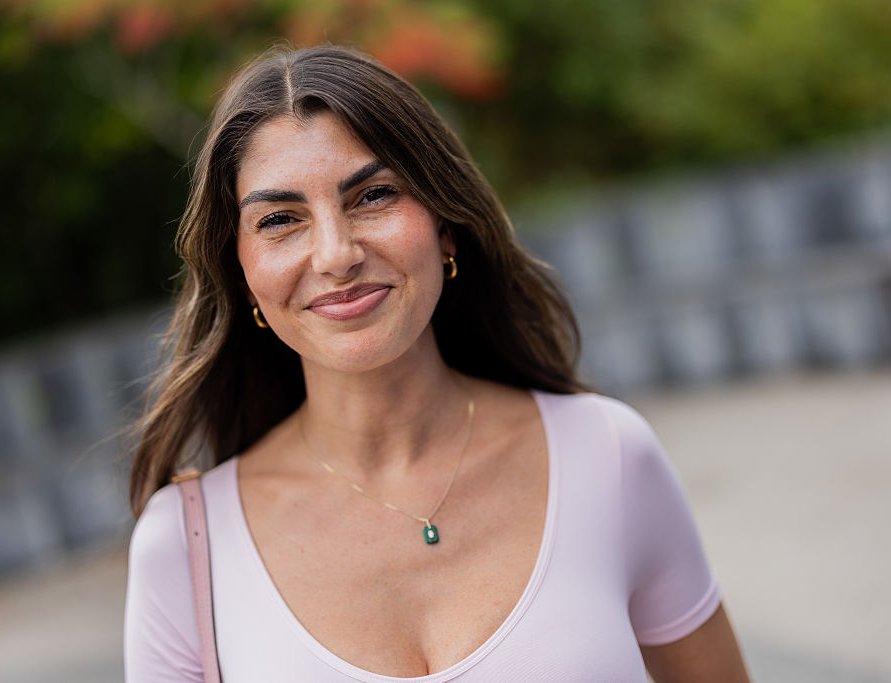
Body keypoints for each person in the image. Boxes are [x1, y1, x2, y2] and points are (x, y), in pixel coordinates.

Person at [124, 44, 750, 682]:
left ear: (445, 225)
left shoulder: (607, 454)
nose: (336, 254)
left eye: (373, 196)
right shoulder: (183, 550)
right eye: (281, 220)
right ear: (242, 272)